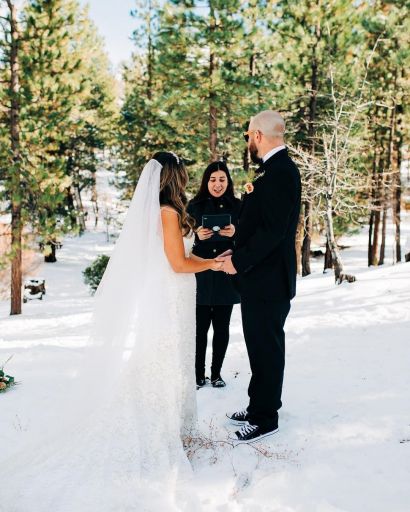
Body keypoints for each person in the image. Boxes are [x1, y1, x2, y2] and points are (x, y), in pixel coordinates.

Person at [1, 152, 221, 512]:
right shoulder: (166, 213)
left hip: (177, 292)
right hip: (168, 294)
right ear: (172, 177)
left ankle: (175, 421)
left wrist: (205, 252)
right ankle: (159, 423)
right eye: (182, 172)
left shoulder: (169, 213)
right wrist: (212, 263)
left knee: (176, 356)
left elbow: (178, 256)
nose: (186, 177)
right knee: (164, 357)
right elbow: (178, 263)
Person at [218, 111, 302, 443]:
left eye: (247, 136)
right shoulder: (271, 169)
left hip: (268, 281)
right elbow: (259, 225)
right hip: (259, 279)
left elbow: (272, 233)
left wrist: (237, 262)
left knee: (266, 349)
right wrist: (233, 251)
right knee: (258, 346)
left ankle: (267, 418)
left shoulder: (281, 172)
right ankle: (257, 407)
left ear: (257, 135)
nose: (247, 142)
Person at [187, 162, 241, 389]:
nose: (217, 184)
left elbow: (250, 241)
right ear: (205, 181)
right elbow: (182, 243)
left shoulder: (238, 206)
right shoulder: (193, 206)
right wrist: (197, 235)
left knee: (221, 328)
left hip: (225, 276)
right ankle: (198, 374)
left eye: (222, 180)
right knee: (199, 329)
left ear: (228, 182)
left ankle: (216, 373)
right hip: (199, 273)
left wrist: (236, 232)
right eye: (212, 180)